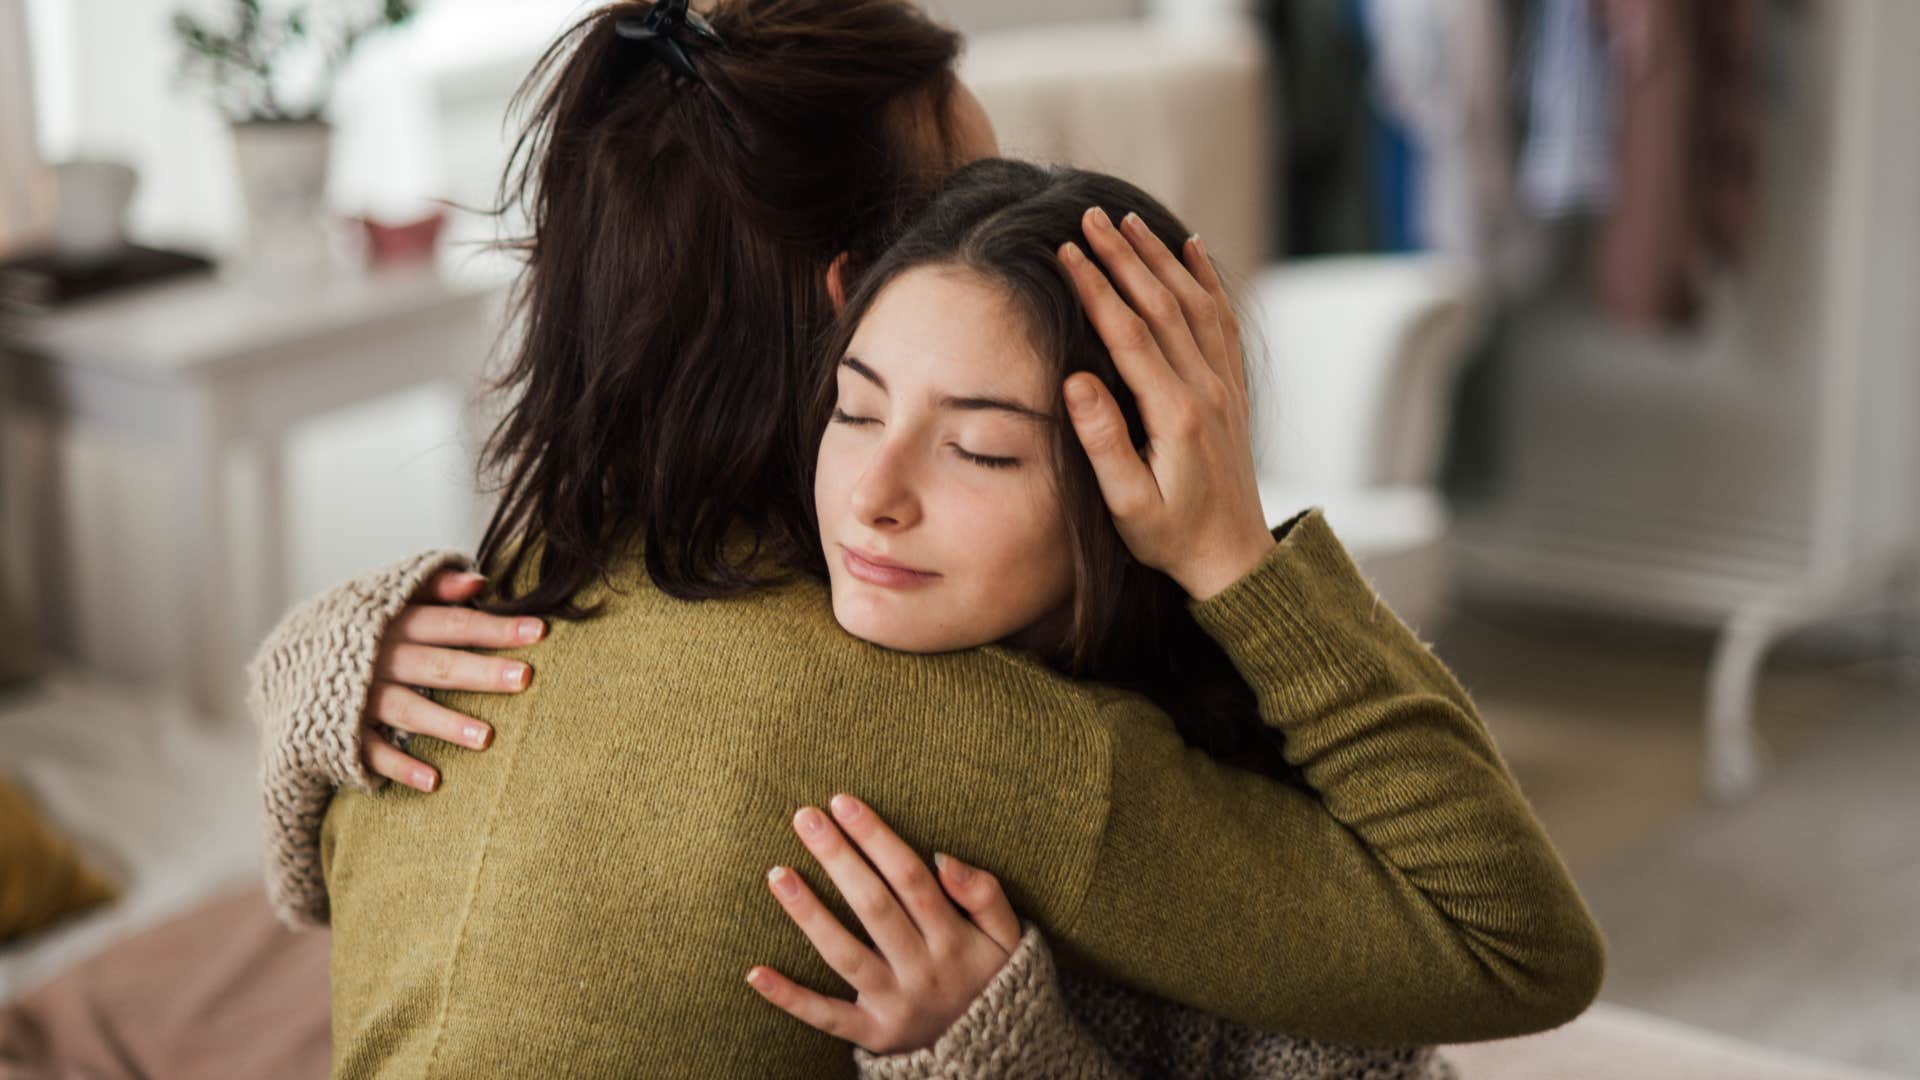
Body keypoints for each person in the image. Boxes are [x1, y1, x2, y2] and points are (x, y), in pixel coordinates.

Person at [247, 2, 1603, 1076]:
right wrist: (1242, 561)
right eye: (972, 196)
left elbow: (311, 895)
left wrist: (294, 675)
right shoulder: (945, 726)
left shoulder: (448, 632)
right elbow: (1508, 947)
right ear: (860, 296)